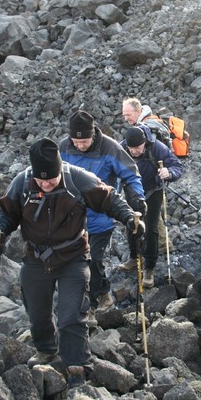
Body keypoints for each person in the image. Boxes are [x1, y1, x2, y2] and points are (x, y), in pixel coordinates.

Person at [0, 138, 144, 388]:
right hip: (36, 257)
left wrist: (129, 218)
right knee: (37, 313)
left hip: (73, 256)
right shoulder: (23, 182)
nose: (46, 184)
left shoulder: (77, 179)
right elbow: (6, 213)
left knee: (72, 315)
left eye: (51, 179)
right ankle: (46, 349)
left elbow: (109, 199)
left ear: (59, 168)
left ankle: (77, 364)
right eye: (41, 180)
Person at [58, 110, 146, 311]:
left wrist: (137, 197)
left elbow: (130, 174)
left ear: (93, 134)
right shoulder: (63, 147)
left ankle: (93, 303)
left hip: (102, 216)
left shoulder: (109, 147)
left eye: (84, 141)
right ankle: (101, 293)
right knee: (78, 261)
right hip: (72, 218)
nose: (80, 146)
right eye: (76, 142)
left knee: (93, 259)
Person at [118, 126, 183, 288]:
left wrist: (169, 172)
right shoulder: (121, 148)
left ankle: (149, 268)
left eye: (137, 148)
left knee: (151, 228)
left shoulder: (157, 148)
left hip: (153, 191)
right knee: (131, 224)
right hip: (132, 190)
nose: (134, 152)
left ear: (144, 143)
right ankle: (134, 258)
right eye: (131, 148)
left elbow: (177, 166)